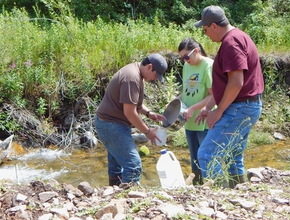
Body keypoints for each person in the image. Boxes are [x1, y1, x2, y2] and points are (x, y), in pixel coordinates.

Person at [194, 5, 264, 188]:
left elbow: (236, 83)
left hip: (240, 107)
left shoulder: (231, 43)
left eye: (205, 29)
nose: (206, 34)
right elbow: (226, 85)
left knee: (207, 155)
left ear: (214, 26)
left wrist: (218, 112)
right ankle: (237, 196)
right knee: (233, 156)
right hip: (247, 105)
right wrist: (208, 107)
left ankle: (219, 196)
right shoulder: (238, 37)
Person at [94, 53, 168, 187]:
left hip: (109, 123)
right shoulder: (132, 78)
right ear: (150, 67)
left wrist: (148, 113)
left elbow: (133, 104)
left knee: (116, 166)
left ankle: (114, 195)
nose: (155, 79)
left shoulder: (136, 71)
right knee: (133, 165)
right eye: (156, 75)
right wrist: (147, 131)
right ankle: (130, 200)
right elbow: (129, 112)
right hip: (111, 125)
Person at [176, 38, 213, 185]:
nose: (185, 60)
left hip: (203, 119)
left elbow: (213, 95)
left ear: (196, 51)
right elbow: (186, 92)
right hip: (189, 120)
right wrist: (174, 102)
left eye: (186, 56)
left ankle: (211, 188)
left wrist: (193, 108)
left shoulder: (208, 65)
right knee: (194, 159)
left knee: (205, 158)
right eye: (182, 58)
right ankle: (198, 189)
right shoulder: (187, 66)